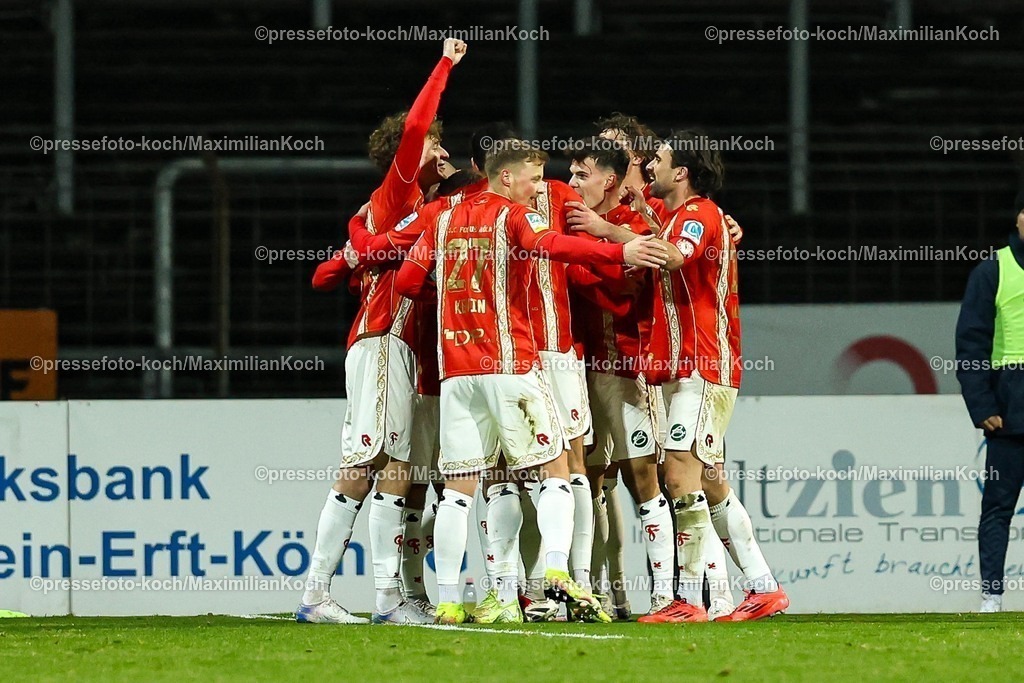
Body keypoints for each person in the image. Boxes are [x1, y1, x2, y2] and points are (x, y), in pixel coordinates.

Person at [395, 143, 667, 624]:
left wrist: (458, 300)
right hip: (510, 364)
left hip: (456, 371)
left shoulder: (442, 219)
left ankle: (450, 600)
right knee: (558, 466)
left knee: (460, 488)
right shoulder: (514, 216)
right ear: (506, 177)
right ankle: (559, 573)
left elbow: (406, 283)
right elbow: (557, 247)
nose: (538, 188)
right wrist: (619, 250)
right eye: (532, 178)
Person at [297, 38, 466, 625]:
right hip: (382, 342)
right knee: (366, 462)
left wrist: (359, 252)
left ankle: (391, 599)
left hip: (397, 349)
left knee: (397, 466)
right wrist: (445, 64)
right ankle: (320, 594)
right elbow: (416, 124)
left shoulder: (403, 209)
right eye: (434, 143)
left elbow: (329, 275)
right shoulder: (397, 192)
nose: (440, 148)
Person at [956, 189, 1024, 613]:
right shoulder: (992, 270)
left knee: (997, 510)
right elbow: (971, 344)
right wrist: (982, 406)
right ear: (1018, 218)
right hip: (1011, 409)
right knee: (998, 509)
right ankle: (992, 596)